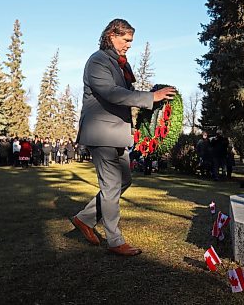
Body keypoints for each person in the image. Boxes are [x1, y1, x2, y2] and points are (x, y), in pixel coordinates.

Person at [71, 19, 176, 256]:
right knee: (110, 187)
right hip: (102, 133)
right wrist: (151, 98)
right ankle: (115, 240)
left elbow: (125, 94)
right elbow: (111, 93)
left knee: (124, 181)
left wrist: (150, 100)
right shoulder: (98, 60)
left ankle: (84, 219)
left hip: (118, 133)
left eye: (131, 41)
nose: (129, 45)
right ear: (111, 35)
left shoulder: (120, 64)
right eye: (126, 40)